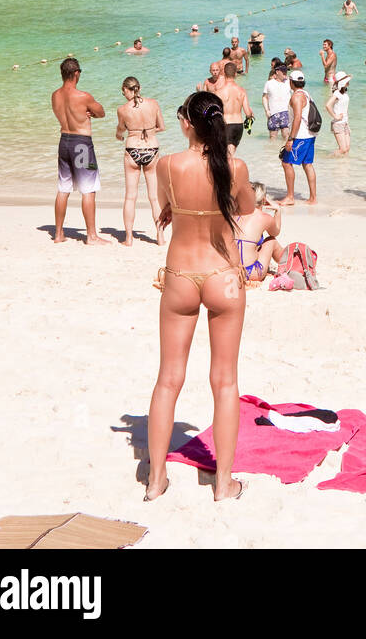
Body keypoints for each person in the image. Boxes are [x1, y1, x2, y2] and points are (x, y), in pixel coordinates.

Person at [145, 91, 254, 502]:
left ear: (188, 123)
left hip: (179, 276)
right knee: (224, 382)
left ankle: (156, 482)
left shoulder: (167, 165)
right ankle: (223, 484)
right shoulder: (235, 167)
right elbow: (245, 209)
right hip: (223, 274)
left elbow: (168, 205)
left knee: (168, 379)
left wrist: (180, 208)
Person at [51, 58, 107, 245]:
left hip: (64, 141)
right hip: (81, 143)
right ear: (76, 73)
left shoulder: (55, 96)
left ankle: (59, 234)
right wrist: (89, 112)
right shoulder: (83, 96)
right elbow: (101, 112)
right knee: (88, 190)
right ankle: (91, 236)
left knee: (63, 189)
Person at [116, 77, 166, 247]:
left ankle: (129, 238)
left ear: (125, 89)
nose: (123, 94)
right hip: (151, 149)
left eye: (122, 91)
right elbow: (162, 127)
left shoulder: (122, 109)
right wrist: (149, 131)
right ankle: (160, 236)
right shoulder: (153, 103)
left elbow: (121, 129)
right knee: (154, 197)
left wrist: (119, 134)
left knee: (130, 196)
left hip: (132, 150)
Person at [279, 71, 317, 205]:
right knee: (307, 164)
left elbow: (298, 117)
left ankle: (290, 197)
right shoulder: (306, 94)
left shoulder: (296, 97)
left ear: (291, 82)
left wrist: (291, 138)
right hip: (310, 135)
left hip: (300, 136)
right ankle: (313, 198)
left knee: (286, 163)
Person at [236, 183, 286, 283]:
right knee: (271, 241)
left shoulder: (234, 214)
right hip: (251, 272)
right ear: (264, 200)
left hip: (231, 271)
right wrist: (278, 210)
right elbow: (275, 232)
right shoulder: (264, 217)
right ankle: (289, 263)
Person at [220, 62, 253, 153]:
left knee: (227, 156)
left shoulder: (219, 92)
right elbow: (248, 113)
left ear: (224, 73)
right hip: (238, 126)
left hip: (226, 125)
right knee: (231, 153)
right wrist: (250, 115)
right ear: (235, 74)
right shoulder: (242, 91)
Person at [262, 62, 292, 142]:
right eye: (283, 71)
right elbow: (264, 97)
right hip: (273, 113)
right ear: (277, 71)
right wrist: (267, 110)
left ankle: (286, 153)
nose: (285, 73)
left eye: (286, 71)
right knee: (272, 136)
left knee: (286, 135)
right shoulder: (269, 83)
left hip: (286, 112)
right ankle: (272, 153)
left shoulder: (289, 82)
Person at [325, 71, 352, 154]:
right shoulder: (337, 93)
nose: (348, 82)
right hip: (338, 123)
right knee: (343, 149)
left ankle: (342, 165)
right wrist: (335, 116)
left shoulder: (344, 93)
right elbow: (328, 105)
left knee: (347, 148)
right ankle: (328, 158)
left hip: (345, 122)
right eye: (347, 81)